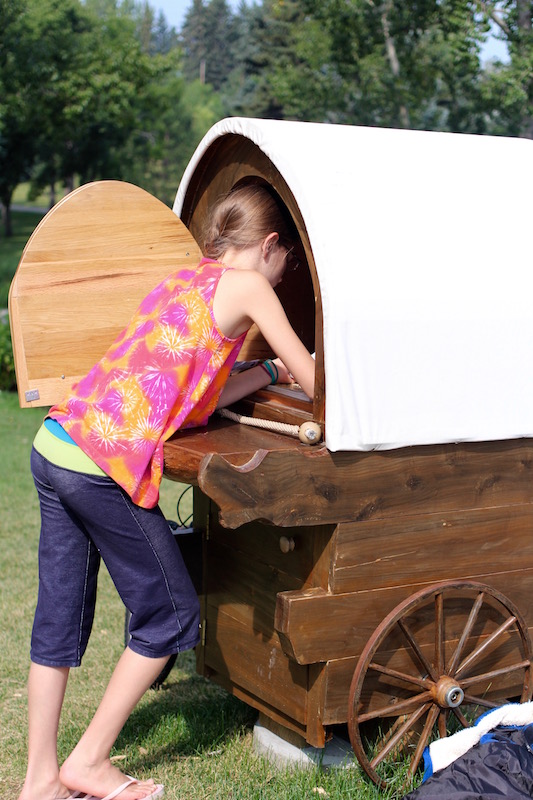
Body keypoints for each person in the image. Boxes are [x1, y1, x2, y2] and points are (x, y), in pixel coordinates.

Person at [18, 183, 315, 800]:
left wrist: (261, 371)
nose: (284, 276)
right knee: (172, 613)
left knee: (57, 620)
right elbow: (315, 379)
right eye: (287, 260)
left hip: (57, 444)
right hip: (101, 464)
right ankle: (90, 764)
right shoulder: (253, 285)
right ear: (269, 246)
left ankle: (40, 780)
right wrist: (310, 365)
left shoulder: (186, 283)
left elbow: (194, 400)